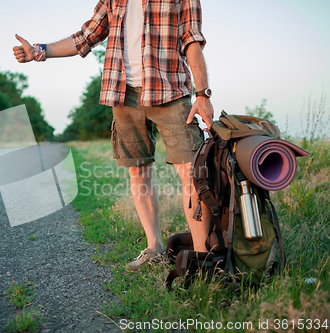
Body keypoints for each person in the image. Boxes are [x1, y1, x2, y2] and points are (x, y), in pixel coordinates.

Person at [13, 0, 214, 271]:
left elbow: (192, 41)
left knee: (191, 171)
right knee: (138, 171)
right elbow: (86, 37)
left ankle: (203, 259)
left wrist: (202, 94)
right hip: (122, 93)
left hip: (169, 91)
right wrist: (40, 51)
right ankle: (154, 247)